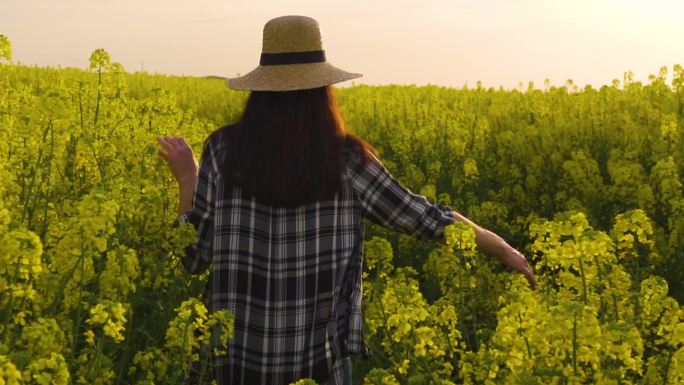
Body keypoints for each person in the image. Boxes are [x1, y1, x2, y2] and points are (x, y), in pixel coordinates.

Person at [157, 15, 537, 385]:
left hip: (233, 362)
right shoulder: (348, 161)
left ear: (260, 90)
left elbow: (194, 255)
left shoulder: (223, 149)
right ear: (324, 91)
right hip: (317, 364)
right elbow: (425, 217)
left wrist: (188, 177)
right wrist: (501, 248)